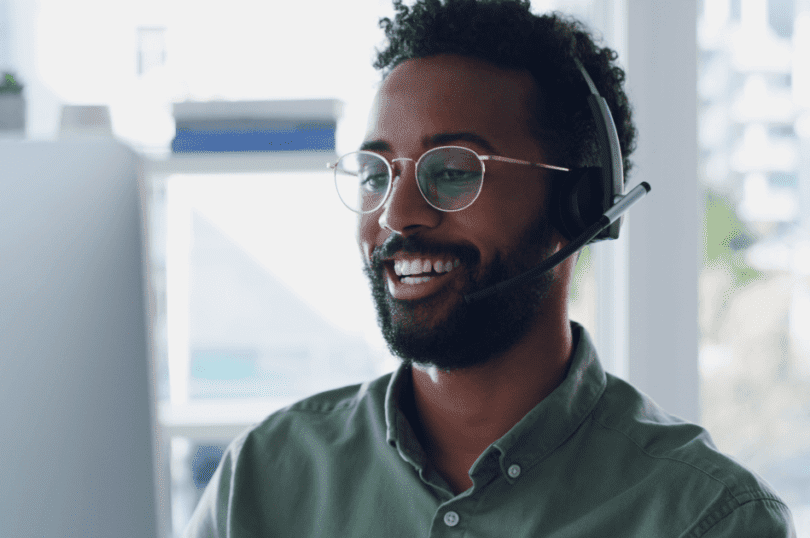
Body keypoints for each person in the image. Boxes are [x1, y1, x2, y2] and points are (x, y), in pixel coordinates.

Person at [185, 0, 796, 536]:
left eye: (451, 171)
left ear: (577, 206)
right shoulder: (267, 479)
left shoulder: (705, 516)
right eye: (376, 175)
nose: (397, 216)